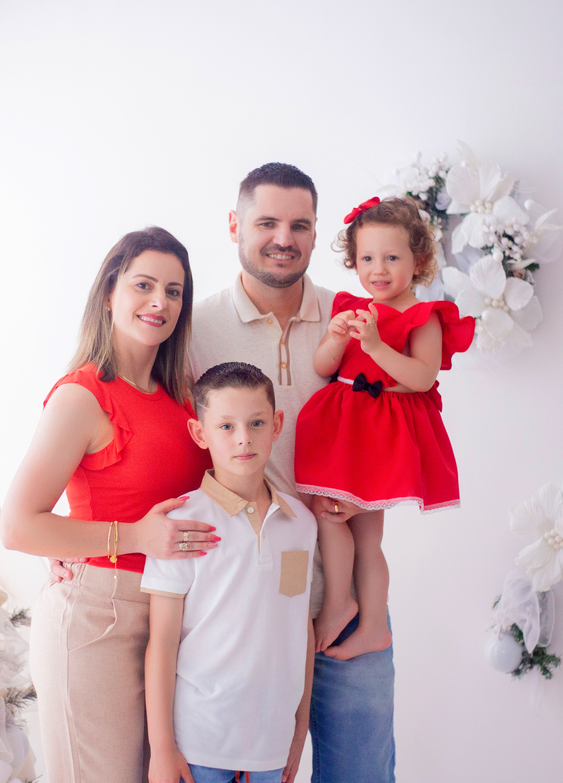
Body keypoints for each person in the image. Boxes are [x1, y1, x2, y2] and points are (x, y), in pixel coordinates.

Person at [187, 163, 396, 783]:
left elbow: (397, 425)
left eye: (300, 225)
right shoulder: (192, 329)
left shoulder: (356, 314)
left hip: (347, 590)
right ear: (234, 225)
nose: (285, 237)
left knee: (360, 771)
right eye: (267, 222)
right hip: (239, 603)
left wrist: (369, 496)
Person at [0, 226, 220, 783]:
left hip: (173, 620)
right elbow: (19, 526)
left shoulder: (182, 396)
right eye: (144, 285)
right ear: (109, 293)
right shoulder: (82, 395)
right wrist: (134, 537)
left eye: (174, 291)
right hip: (98, 621)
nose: (159, 302)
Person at [295, 196, 475, 660]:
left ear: (418, 260)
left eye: (392, 258)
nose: (378, 269)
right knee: (336, 517)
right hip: (345, 431)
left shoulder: (422, 315)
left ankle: (350, 609)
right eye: (367, 258)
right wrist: (334, 340)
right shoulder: (352, 306)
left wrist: (374, 345)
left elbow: (422, 377)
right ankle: (360, 614)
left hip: (382, 434)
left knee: (347, 522)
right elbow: (322, 367)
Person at [142, 363, 317, 783]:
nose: (243, 438)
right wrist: (162, 748)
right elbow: (162, 642)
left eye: (256, 422)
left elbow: (300, 629)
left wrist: (298, 731)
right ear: (199, 434)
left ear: (276, 425)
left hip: (272, 744)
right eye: (226, 426)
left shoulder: (300, 524)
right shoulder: (180, 523)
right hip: (199, 741)